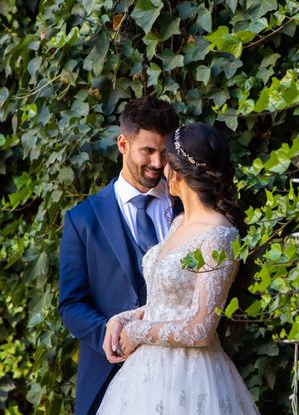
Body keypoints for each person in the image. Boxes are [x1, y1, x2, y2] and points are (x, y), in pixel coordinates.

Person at [96, 122, 259, 414]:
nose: (161, 169)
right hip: (144, 377)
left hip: (193, 376)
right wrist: (121, 319)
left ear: (180, 171)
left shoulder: (219, 235)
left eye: (167, 162)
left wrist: (138, 332)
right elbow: (167, 302)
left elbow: (201, 328)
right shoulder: (178, 223)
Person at [58, 97, 181, 415]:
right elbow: (71, 304)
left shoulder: (188, 208)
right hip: (109, 375)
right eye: (148, 151)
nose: (157, 164)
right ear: (123, 144)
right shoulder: (83, 219)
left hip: (182, 372)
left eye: (165, 153)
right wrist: (108, 334)